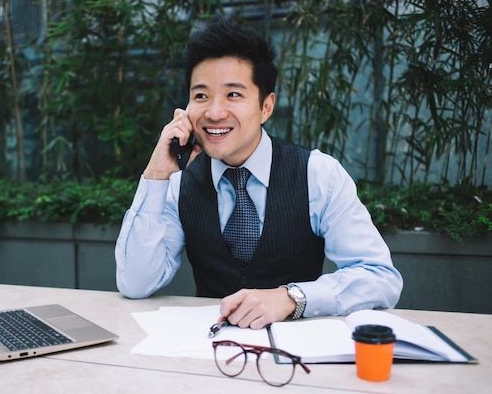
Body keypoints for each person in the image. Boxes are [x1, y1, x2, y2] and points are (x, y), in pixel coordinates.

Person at [115, 18, 402, 330]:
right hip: (211, 355)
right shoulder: (178, 183)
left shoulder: (318, 173)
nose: (213, 113)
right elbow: (135, 284)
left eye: (233, 95)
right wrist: (155, 175)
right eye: (201, 96)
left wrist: (292, 298)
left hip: (296, 357)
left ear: (266, 106)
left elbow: (379, 277)